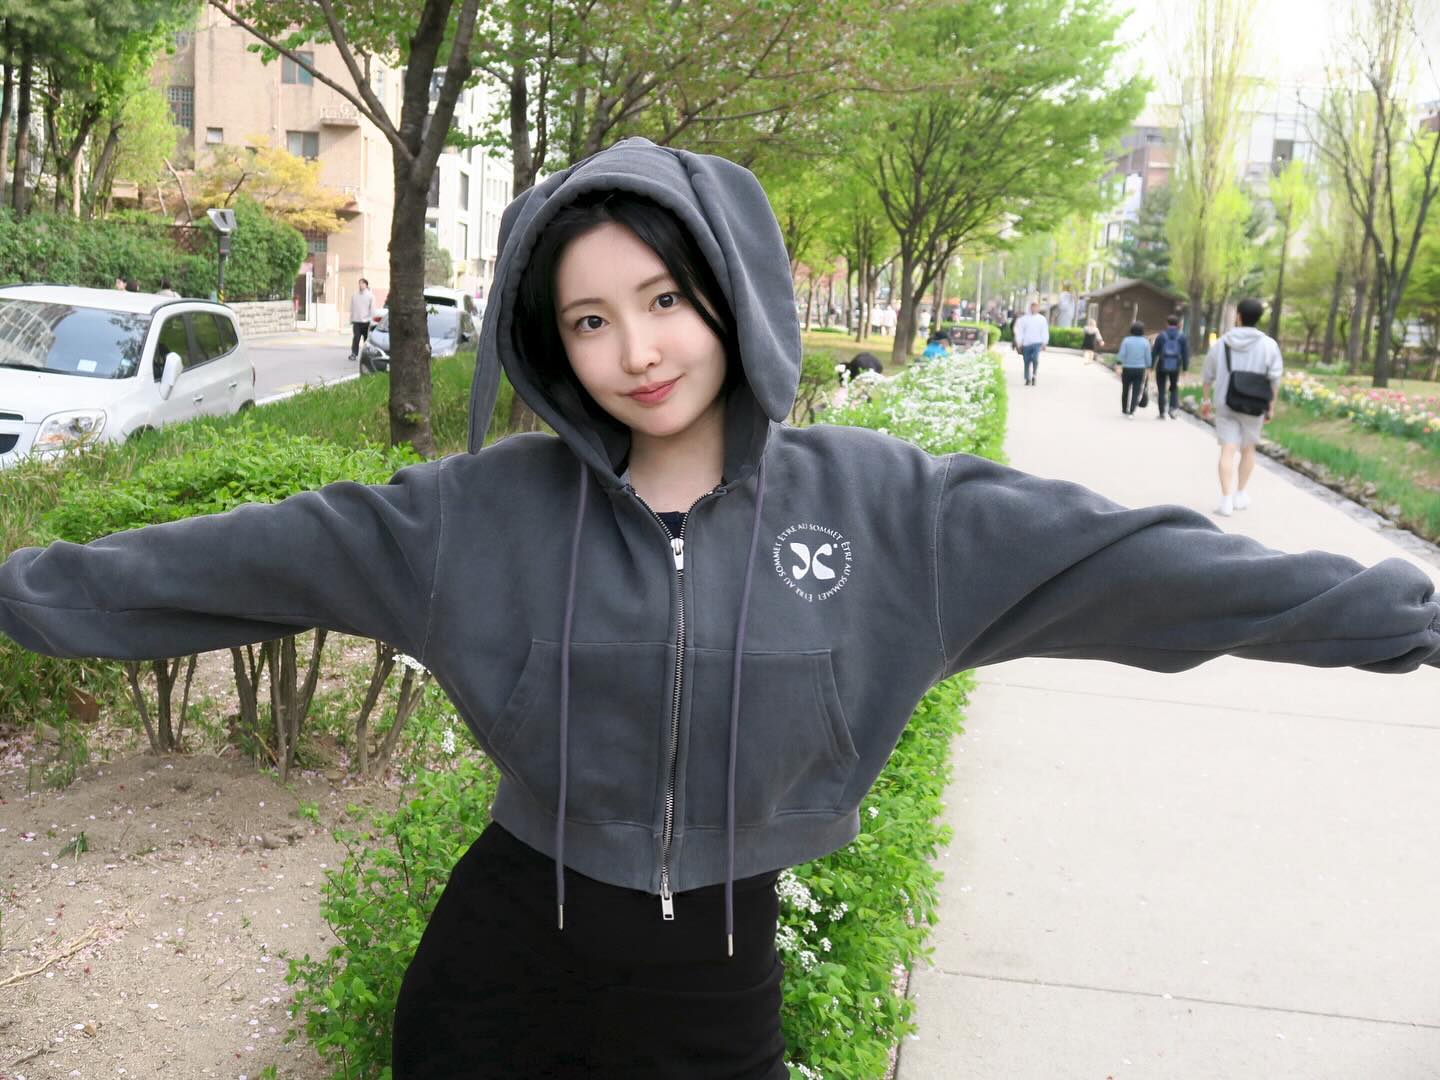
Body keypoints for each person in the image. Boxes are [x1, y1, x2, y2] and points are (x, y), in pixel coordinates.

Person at [2, 138, 1438, 1079]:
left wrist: (1400, 616)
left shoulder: (891, 513)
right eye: (589, 320)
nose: (635, 349)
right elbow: (233, 561)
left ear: (730, 295)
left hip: (716, 987)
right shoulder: (477, 516)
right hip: (501, 977)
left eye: (665, 299)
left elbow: (1147, 565)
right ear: (551, 342)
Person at [1201, 297, 1283, 516]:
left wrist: (1206, 400)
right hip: (1255, 405)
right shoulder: (1269, 345)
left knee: (1227, 450)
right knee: (1248, 449)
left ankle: (1225, 500)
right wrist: (1271, 406)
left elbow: (1207, 375)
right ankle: (1240, 493)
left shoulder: (1222, 343)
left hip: (1226, 403)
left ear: (1238, 316)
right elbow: (1274, 379)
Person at [1150, 314, 1189, 420]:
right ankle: (1172, 409)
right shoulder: (1182, 337)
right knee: (1174, 387)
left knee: (1161, 388)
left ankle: (1162, 412)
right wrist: (1185, 368)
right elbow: (1185, 353)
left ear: (1167, 323)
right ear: (1178, 324)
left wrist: (1151, 366)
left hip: (1162, 365)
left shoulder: (1161, 336)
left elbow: (1154, 352)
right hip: (1175, 365)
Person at [1116, 320, 1152, 418]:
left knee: (1125, 389)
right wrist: (1148, 368)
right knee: (1136, 390)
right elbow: (1148, 357)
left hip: (1127, 368)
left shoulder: (1126, 340)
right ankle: (1132, 411)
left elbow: (1121, 354)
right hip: (1140, 369)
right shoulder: (1145, 342)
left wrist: (1118, 365)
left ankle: (1124, 409)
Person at [1014, 300, 1049, 386]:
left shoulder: (1042, 319)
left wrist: (1044, 342)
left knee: (1035, 359)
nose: (1034, 308)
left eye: (1036, 306)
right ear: (1030, 307)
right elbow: (1020, 331)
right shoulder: (1023, 319)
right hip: (1026, 344)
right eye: (1033, 306)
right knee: (1026, 361)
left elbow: (1044, 331)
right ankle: (1027, 378)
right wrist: (1019, 342)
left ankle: (1034, 375)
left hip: (1037, 343)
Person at [350, 278, 375, 361]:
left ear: (366, 285)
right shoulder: (354, 295)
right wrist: (351, 318)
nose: (360, 285)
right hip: (356, 321)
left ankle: (367, 355)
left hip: (366, 321)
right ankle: (354, 353)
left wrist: (371, 320)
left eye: (362, 283)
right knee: (356, 338)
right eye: (359, 283)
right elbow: (352, 308)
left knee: (366, 339)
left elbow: (372, 309)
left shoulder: (370, 296)